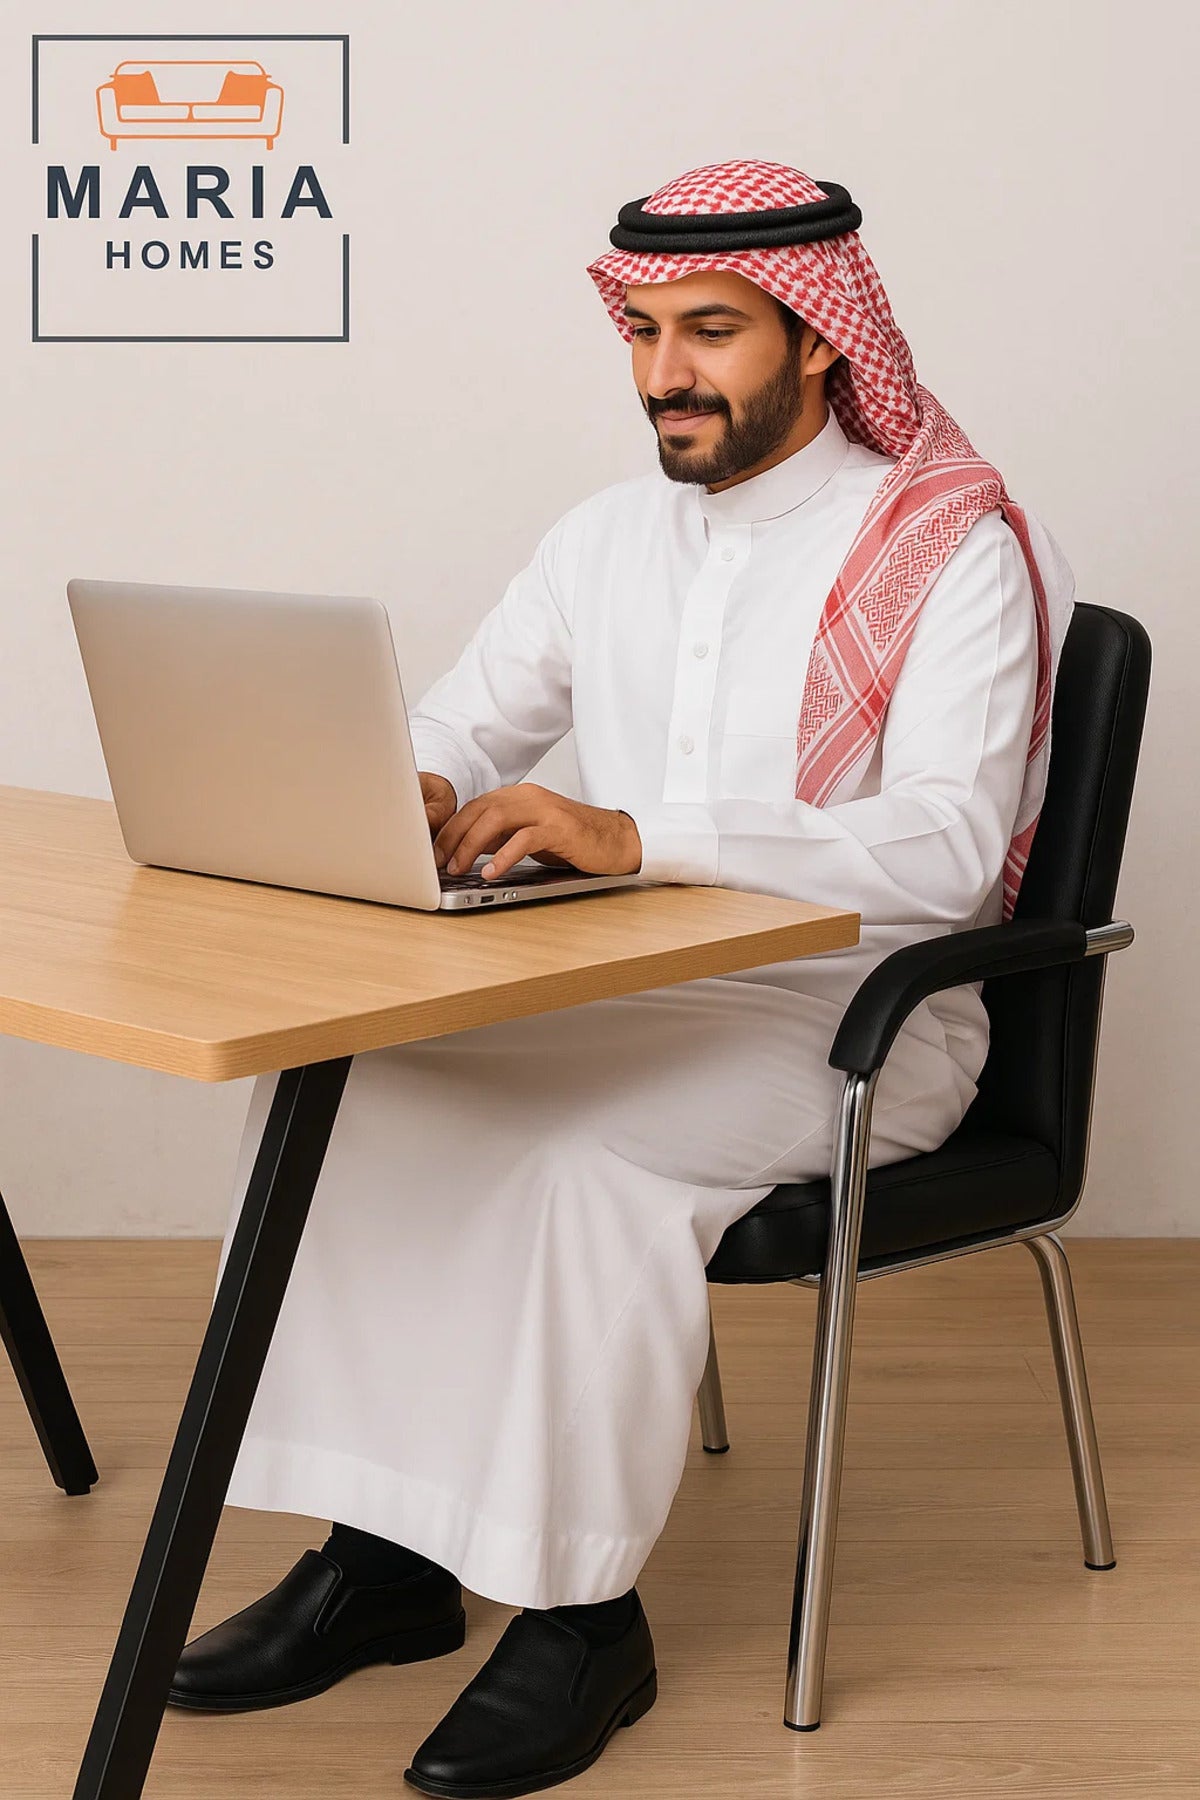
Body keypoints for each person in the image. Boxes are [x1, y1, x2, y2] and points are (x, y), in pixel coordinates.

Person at [167, 161, 1074, 1797]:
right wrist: (410, 787)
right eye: (643, 330)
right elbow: (463, 719)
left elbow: (949, 847)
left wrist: (638, 833)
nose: (666, 371)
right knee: (352, 1096)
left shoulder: (948, 550)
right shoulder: (602, 540)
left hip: (858, 1019)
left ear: (820, 336)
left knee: (580, 1164)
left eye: (711, 330)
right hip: (629, 986)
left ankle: (583, 1622)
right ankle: (383, 1559)